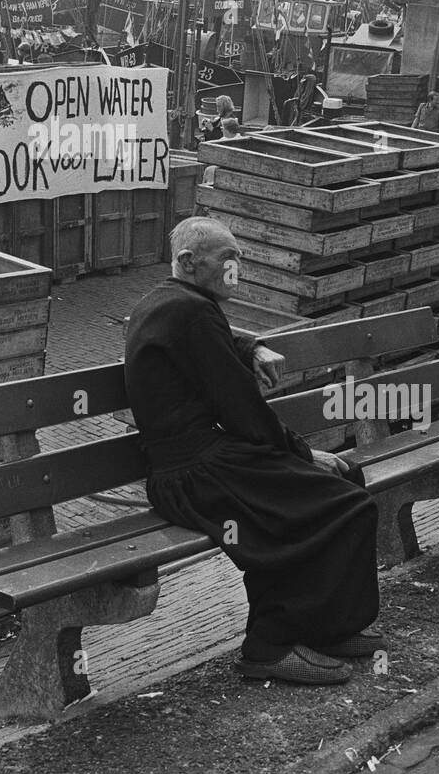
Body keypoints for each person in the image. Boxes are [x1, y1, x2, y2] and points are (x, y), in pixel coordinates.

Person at [124, 217, 382, 686]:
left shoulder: (169, 301)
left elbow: (203, 341)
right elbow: (241, 408)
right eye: (227, 259)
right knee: (345, 505)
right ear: (187, 263)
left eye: (238, 256)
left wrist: (252, 346)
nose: (236, 268)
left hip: (198, 466)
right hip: (196, 474)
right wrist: (303, 455)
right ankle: (269, 646)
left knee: (345, 483)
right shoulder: (190, 311)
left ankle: (323, 629)